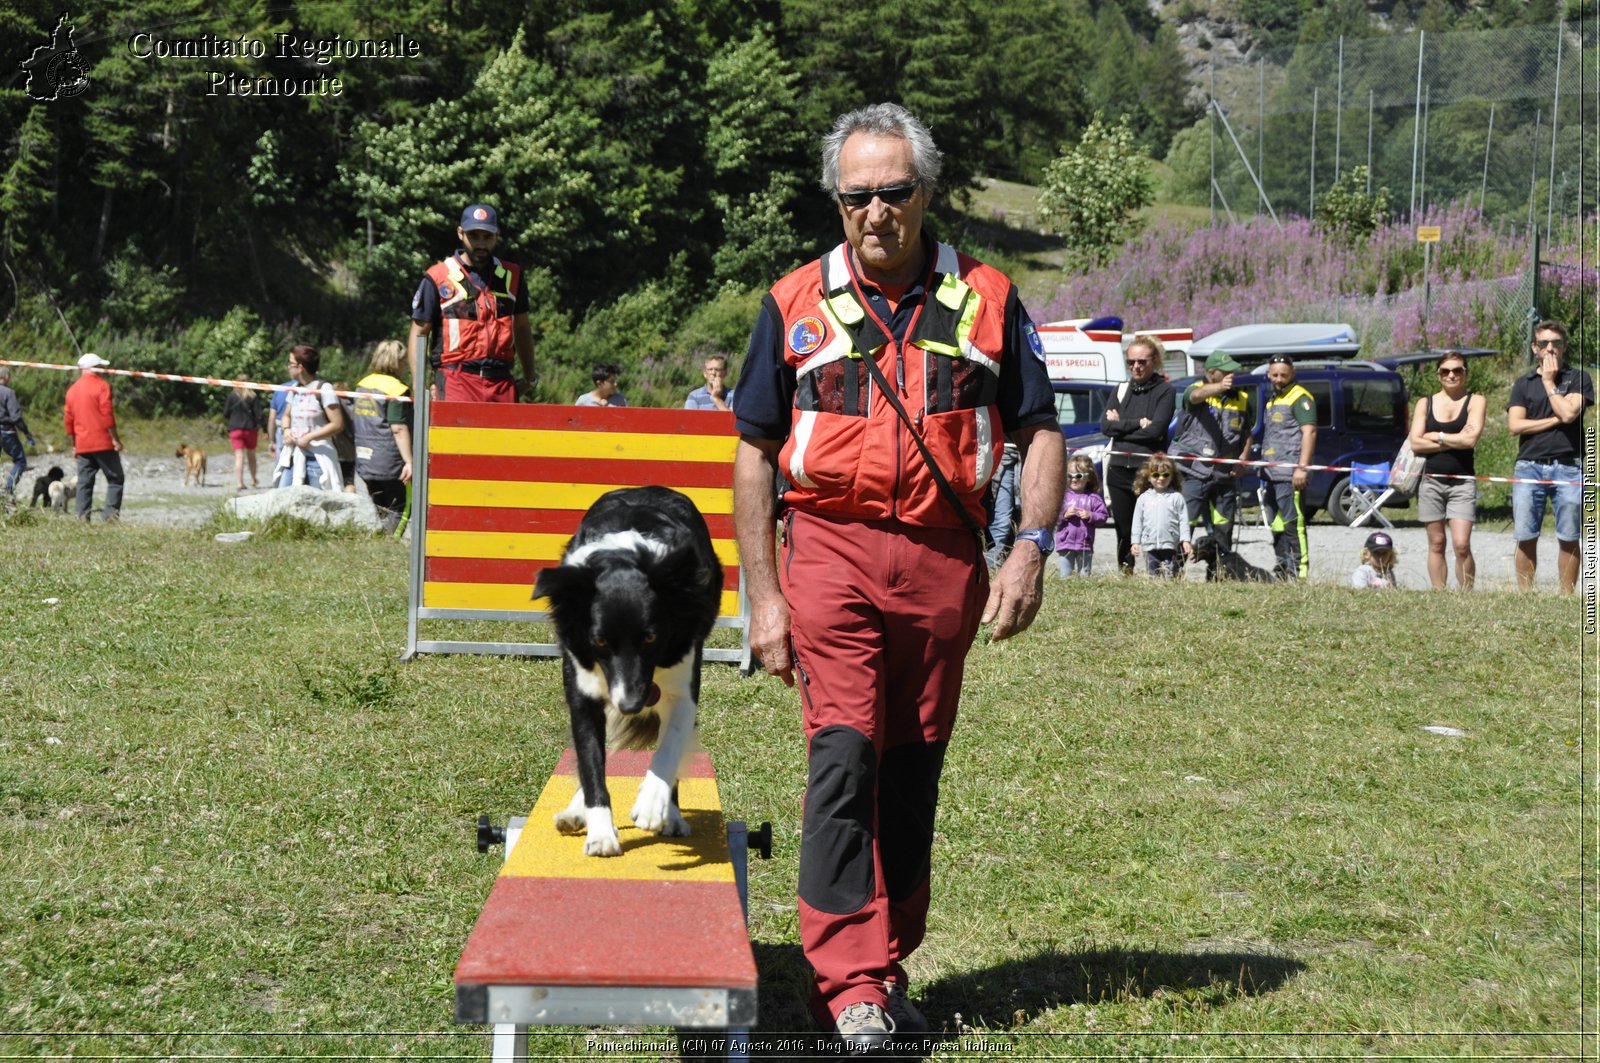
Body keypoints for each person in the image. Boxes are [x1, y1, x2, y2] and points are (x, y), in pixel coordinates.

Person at [731, 102, 1064, 1052]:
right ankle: (849, 983)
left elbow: (1041, 428)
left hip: (944, 559)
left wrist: (1031, 545)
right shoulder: (792, 301)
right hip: (830, 550)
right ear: (837, 202)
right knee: (844, 756)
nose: (876, 212)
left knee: (913, 766)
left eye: (894, 192)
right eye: (857, 196)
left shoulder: (992, 298)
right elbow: (755, 450)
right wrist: (763, 594)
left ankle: (889, 957)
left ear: (927, 192)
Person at [408, 203, 536, 403]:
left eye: (487, 237)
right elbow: (419, 332)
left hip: (501, 383)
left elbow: (521, 327)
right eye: (474, 236)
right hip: (456, 381)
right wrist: (419, 386)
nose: (481, 244)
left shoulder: (513, 275)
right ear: (460, 233)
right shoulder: (438, 276)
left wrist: (530, 378)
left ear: (497, 235)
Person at [1507, 320, 1592, 594]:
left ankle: (1566, 597)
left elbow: (1569, 414)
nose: (1550, 348)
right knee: (1525, 535)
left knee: (1569, 536)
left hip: (1569, 466)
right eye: (1544, 343)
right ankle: (1525, 596)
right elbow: (1515, 426)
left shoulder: (1579, 378)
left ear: (1565, 346)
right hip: (1529, 466)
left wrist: (1548, 382)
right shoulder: (1523, 383)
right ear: (1535, 348)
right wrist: (1552, 420)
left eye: (1556, 342)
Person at [1407, 350, 1486, 590]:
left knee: (1461, 544)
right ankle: (1439, 593)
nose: (1451, 375)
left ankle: (1466, 594)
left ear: (1465, 373)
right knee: (1437, 542)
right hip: (1430, 481)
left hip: (1462, 482)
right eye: (1445, 371)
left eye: (1457, 370)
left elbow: (1470, 441)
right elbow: (1415, 443)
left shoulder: (1476, 401)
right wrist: (1454, 439)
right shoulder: (1425, 403)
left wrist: (1438, 436)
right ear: (1438, 375)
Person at [1170, 350, 1253, 575]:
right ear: (1210, 373)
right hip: (1194, 473)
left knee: (1223, 526)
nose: (1231, 376)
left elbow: (1246, 433)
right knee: (1186, 524)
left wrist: (1242, 460)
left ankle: (1219, 574)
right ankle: (1174, 572)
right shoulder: (1195, 390)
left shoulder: (1242, 399)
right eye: (1225, 372)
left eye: (1233, 372)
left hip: (1225, 475)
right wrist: (1218, 388)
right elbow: (1196, 396)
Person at [1099, 336, 1176, 574]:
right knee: (1123, 528)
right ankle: (1126, 571)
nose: (1136, 367)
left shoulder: (1165, 391)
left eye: (1141, 361)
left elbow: (1156, 431)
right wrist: (1137, 423)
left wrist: (1121, 426)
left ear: (1155, 361)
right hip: (1119, 467)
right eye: (1130, 362)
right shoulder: (1121, 389)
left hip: (1149, 470)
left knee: (1155, 526)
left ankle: (1160, 571)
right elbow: (1105, 427)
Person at [1257, 355, 1317, 581]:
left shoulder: (1301, 398)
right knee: (1277, 523)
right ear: (1268, 375)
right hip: (1271, 474)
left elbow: (1309, 432)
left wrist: (1302, 468)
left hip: (1290, 473)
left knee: (1294, 523)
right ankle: (1283, 568)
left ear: (1292, 374)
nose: (1279, 379)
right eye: (1275, 375)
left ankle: (1300, 574)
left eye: (1284, 374)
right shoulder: (1273, 399)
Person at [352, 339, 414, 535]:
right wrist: (409, 461)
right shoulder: (396, 389)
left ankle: (379, 542)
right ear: (397, 361)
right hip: (390, 460)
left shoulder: (362, 385)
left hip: (364, 458)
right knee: (401, 506)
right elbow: (398, 428)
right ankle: (390, 545)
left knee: (379, 507)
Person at [62, 353, 123, 522]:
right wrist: (115, 439)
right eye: (101, 367)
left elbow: (68, 421)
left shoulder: (72, 390)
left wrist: (74, 443)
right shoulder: (102, 386)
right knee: (116, 479)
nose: (103, 370)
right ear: (95, 368)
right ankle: (110, 518)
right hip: (103, 443)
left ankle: (82, 517)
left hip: (82, 444)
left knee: (84, 482)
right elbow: (107, 416)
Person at [277, 345, 344, 491]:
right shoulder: (295, 388)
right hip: (294, 456)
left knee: (319, 503)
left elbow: (337, 424)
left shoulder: (324, 389)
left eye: (290, 363)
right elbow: (286, 416)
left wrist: (309, 437)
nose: (288, 367)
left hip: (318, 457)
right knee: (284, 498)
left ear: (300, 367)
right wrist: (286, 430)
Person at [1129, 454, 1192, 578]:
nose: (1161, 478)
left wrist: (1186, 540)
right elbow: (1137, 521)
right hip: (1149, 544)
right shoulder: (1143, 498)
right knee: (1153, 575)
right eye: (1156, 475)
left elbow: (1184, 520)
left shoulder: (1177, 497)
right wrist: (1135, 542)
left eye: (1166, 475)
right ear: (1148, 477)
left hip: (1169, 544)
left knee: (1169, 574)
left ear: (1171, 476)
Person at [1054, 453, 1108, 577]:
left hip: (1085, 543)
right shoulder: (1062, 497)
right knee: (1065, 575)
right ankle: (1066, 593)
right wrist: (1065, 515)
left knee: (1085, 575)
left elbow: (1103, 517)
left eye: (1078, 475)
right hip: (1065, 542)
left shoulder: (1093, 498)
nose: (1074, 479)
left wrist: (1091, 516)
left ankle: (1085, 594)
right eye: (1070, 475)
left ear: (1088, 477)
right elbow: (1053, 518)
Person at [0, 366, 38, 497]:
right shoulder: (8, 393)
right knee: (20, 461)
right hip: (6, 431)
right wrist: (26, 432)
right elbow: (15, 417)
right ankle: (8, 490)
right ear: (5, 377)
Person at [223, 378, 265, 491]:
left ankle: (239, 483)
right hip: (250, 429)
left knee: (239, 456)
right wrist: (264, 429)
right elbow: (259, 414)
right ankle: (253, 479)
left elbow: (225, 413)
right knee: (251, 455)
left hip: (235, 428)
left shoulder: (232, 396)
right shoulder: (253, 396)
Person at [984, 441, 1020, 568]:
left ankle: (1000, 565)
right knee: (1002, 520)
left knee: (1015, 520)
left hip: (1021, 455)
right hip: (1002, 454)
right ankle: (989, 566)